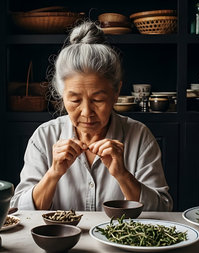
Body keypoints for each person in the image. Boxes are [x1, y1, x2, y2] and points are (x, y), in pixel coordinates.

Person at [10, 21, 173, 211]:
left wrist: (122, 175)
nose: (87, 112)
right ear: (62, 95)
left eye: (97, 100)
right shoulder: (44, 137)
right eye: (75, 100)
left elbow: (163, 209)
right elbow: (21, 211)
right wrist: (53, 174)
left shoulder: (139, 136)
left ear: (116, 92)